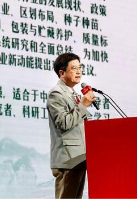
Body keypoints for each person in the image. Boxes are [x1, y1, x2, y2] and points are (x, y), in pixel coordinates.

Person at [47, 53, 96, 199]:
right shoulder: (56, 93)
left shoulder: (73, 93)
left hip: (79, 157)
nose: (79, 71)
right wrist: (83, 105)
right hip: (67, 159)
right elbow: (64, 122)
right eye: (74, 68)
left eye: (80, 68)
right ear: (62, 73)